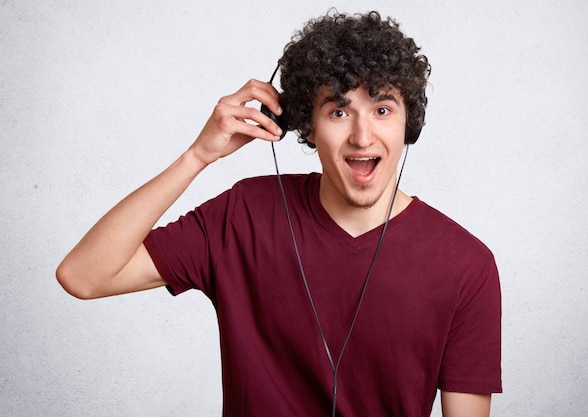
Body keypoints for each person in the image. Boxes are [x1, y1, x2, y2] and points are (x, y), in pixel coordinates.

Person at [57, 10, 501, 417]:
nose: (362, 136)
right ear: (307, 125)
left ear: (409, 124)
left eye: (383, 109)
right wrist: (197, 156)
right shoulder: (244, 214)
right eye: (339, 110)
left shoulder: (467, 266)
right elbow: (84, 276)